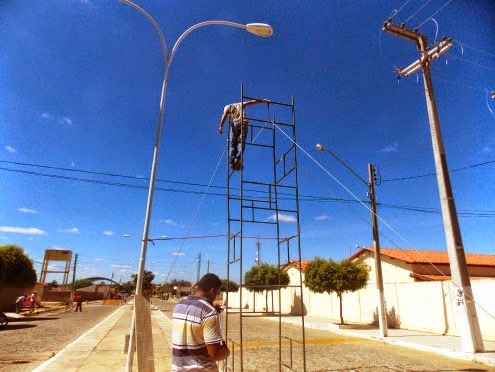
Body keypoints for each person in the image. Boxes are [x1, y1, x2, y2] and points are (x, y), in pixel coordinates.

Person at [171, 273, 229, 371]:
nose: (215, 296)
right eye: (216, 293)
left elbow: (195, 314)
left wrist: (211, 309)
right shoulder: (209, 312)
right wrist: (226, 352)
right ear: (212, 291)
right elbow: (214, 354)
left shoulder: (179, 304)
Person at [218, 98, 270, 170]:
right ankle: (238, 158)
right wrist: (263, 101)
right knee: (241, 141)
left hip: (235, 123)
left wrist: (220, 126)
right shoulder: (240, 104)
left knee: (233, 143)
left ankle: (232, 163)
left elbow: (224, 115)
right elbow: (252, 102)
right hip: (244, 122)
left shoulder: (226, 107)